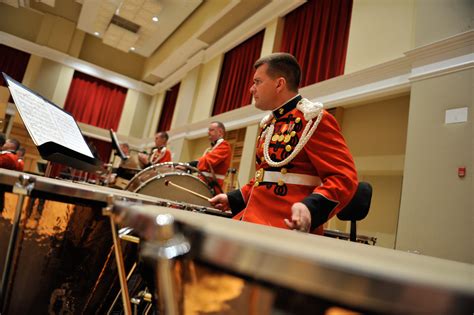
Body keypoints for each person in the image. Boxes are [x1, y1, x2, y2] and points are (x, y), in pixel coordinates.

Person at [209, 53, 358, 234]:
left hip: (284, 227)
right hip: (253, 219)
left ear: (279, 84)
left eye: (257, 82)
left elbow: (344, 178)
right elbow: (264, 178)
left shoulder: (312, 119)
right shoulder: (269, 124)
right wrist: (232, 198)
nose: (251, 89)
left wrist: (311, 208)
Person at [187, 121, 231, 194]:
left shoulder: (224, 146)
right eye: (208, 130)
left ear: (220, 132)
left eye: (211, 130)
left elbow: (208, 162)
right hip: (204, 184)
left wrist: (188, 165)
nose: (208, 132)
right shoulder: (211, 148)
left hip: (212, 186)